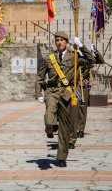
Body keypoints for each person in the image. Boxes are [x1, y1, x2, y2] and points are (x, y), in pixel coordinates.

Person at [36, 32, 94, 167]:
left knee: (64, 126)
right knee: (49, 113)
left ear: (67, 42)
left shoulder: (74, 57)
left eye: (62, 40)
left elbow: (91, 61)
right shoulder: (49, 58)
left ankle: (61, 157)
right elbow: (40, 77)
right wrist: (38, 93)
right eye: (57, 40)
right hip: (52, 91)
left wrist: (81, 46)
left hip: (67, 93)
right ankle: (50, 126)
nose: (59, 42)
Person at [76, 44, 105, 138]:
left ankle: (80, 129)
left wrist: (95, 50)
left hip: (83, 86)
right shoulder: (73, 58)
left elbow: (101, 60)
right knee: (72, 108)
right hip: (73, 86)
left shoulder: (88, 60)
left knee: (82, 108)